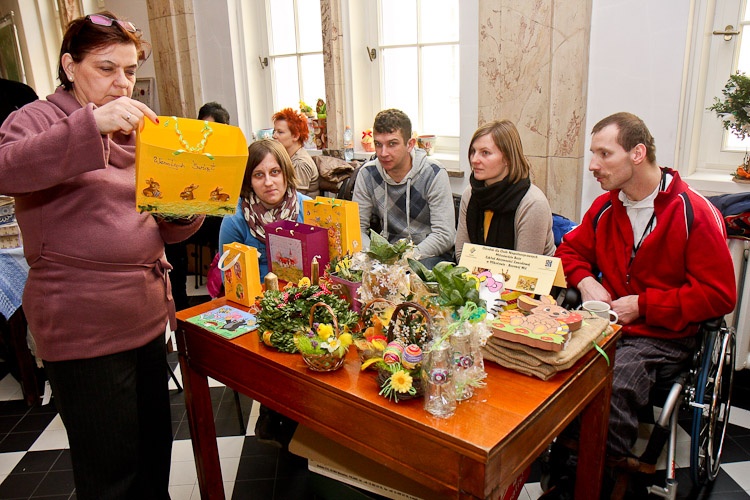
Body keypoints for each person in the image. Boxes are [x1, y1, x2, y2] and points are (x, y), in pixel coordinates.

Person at [0, 12, 203, 499]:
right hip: (84, 326)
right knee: (111, 474)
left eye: (130, 71)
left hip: (146, 316)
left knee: (154, 456)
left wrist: (185, 209)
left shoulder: (141, 132)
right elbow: (6, 169)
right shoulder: (36, 119)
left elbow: (164, 228)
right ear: (70, 66)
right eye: (106, 68)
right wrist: (89, 125)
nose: (122, 83)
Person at [547, 112, 737, 497]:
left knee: (613, 384)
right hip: (609, 324)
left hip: (663, 333)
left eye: (604, 154)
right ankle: (567, 461)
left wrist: (644, 305)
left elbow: (719, 295)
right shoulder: (605, 208)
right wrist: (586, 281)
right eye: (593, 153)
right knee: (553, 363)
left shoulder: (694, 212)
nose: (593, 165)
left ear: (637, 153)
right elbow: (568, 251)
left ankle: (594, 480)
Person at [219, 138, 310, 447]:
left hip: (305, 299)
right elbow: (230, 278)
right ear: (248, 180)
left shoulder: (307, 208)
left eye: (275, 172)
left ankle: (304, 415)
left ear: (286, 172)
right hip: (257, 307)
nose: (269, 182)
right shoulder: (235, 218)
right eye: (259, 175)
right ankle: (272, 409)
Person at [353, 108, 455, 268]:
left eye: (392, 144)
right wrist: (377, 257)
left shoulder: (434, 173)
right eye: (378, 144)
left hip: (426, 254)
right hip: (384, 256)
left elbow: (444, 235)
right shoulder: (367, 174)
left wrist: (405, 259)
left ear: (410, 144)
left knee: (420, 273)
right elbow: (357, 228)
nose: (383, 153)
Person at [455, 120, 555, 261]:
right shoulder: (470, 193)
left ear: (508, 158)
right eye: (473, 151)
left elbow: (525, 268)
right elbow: (462, 254)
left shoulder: (533, 203)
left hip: (523, 274)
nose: (474, 160)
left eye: (485, 153)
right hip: (478, 273)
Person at [166, 101, 230, 310]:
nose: (206, 133)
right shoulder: (189, 151)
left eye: (211, 129)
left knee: (227, 228)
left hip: (221, 216)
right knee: (173, 236)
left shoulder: (231, 154)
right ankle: (180, 304)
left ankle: (224, 294)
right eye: (202, 127)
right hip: (196, 215)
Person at [272, 107, 319, 197]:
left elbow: (293, 198)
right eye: (274, 131)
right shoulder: (288, 158)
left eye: (280, 132)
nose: (274, 136)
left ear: (295, 136)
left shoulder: (300, 163)